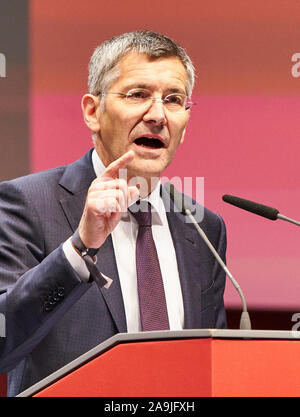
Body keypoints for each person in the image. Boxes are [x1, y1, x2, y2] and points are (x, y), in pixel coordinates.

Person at [0, 30, 227, 397]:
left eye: (173, 100)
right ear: (93, 111)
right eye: (137, 94)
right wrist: (79, 248)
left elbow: (211, 365)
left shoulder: (203, 229)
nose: (157, 115)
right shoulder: (27, 203)